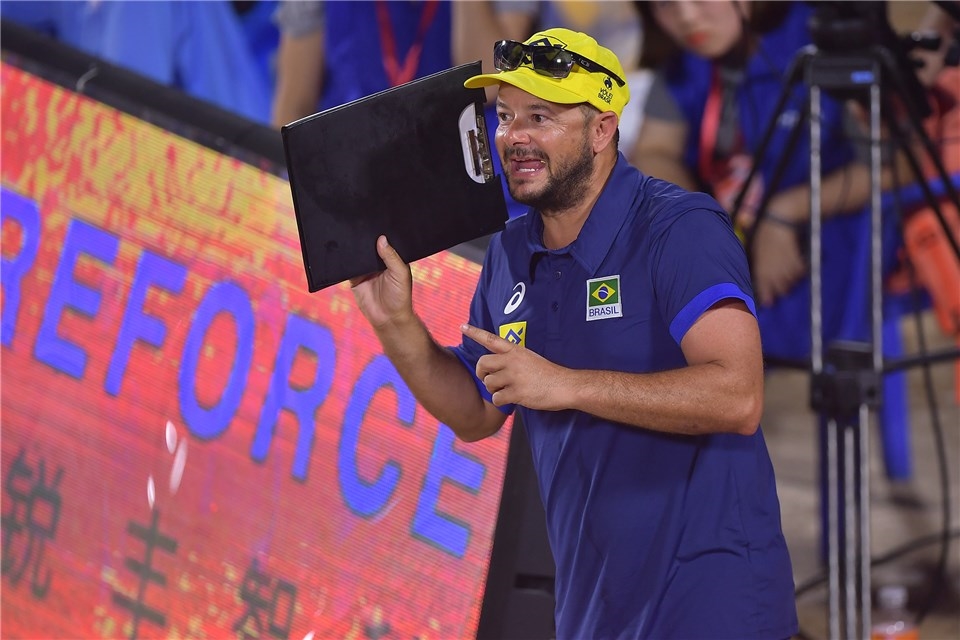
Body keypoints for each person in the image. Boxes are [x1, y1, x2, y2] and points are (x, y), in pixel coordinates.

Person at [350, 27, 798, 639]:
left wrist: (565, 385)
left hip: (710, 599)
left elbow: (738, 396)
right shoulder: (509, 252)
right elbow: (478, 413)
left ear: (602, 129)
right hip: (593, 608)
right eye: (505, 116)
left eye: (542, 116)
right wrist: (395, 322)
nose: (515, 137)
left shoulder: (680, 227)